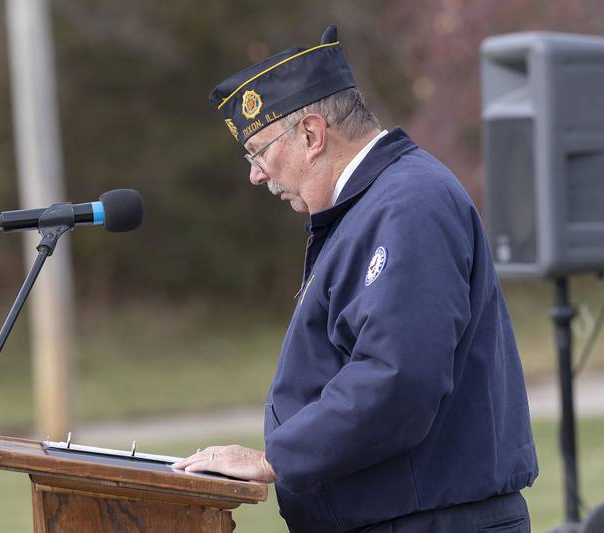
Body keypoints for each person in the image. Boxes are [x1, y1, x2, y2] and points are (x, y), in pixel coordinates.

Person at [172, 25, 538, 532]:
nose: (256, 174)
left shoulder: (408, 204)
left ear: (311, 134)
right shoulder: (374, 206)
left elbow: (398, 377)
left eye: (258, 150)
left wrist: (274, 459)